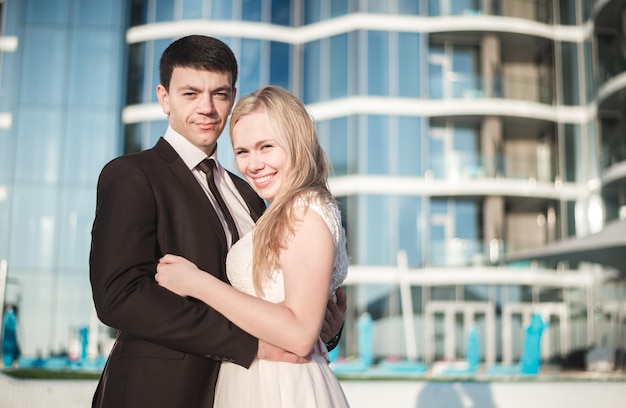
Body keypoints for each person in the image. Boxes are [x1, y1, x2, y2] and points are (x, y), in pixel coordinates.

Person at [89, 35, 345, 408]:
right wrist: (250, 345)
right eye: (190, 94)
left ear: (232, 97)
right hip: (158, 391)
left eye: (220, 94)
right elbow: (118, 297)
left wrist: (326, 330)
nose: (206, 108)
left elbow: (274, 298)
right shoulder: (131, 175)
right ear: (164, 98)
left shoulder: (254, 192)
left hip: (247, 390)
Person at [155, 85, 350, 407]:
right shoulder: (282, 209)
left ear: (297, 143)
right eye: (243, 151)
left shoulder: (303, 212)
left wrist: (198, 283)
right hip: (256, 379)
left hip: (280, 387)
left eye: (266, 147)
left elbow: (300, 333)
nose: (253, 164)